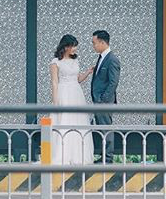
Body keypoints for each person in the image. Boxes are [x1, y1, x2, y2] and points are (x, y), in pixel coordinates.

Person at [49, 34, 94, 165]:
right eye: (73, 46)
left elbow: (78, 79)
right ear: (66, 47)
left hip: (76, 93)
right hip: (63, 93)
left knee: (78, 121)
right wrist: (55, 102)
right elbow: (54, 82)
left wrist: (88, 72)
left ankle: (78, 155)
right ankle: (62, 154)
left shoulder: (75, 61)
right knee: (64, 120)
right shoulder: (55, 62)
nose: (75, 49)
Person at [89, 30, 121, 164]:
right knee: (102, 129)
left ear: (102, 42)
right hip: (98, 101)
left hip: (104, 102)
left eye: (94, 43)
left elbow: (113, 82)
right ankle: (104, 156)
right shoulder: (102, 57)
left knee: (106, 128)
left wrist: (103, 99)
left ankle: (108, 158)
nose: (93, 46)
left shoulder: (112, 59)